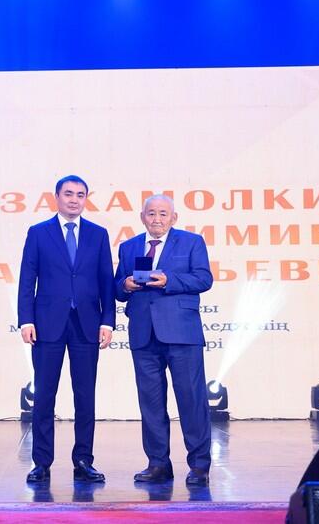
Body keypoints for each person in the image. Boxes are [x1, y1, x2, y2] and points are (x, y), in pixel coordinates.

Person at [18, 175, 116, 484]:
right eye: (69, 194)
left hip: (87, 324)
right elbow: (27, 278)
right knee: (45, 395)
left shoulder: (98, 234)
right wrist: (26, 319)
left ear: (86, 199)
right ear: (57, 197)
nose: (74, 199)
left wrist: (108, 320)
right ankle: (41, 462)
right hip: (47, 324)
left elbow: (106, 281)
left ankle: (84, 460)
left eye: (80, 195)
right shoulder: (38, 233)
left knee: (85, 395)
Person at [114, 194, 213, 486]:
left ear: (174, 218)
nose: (157, 219)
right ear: (142, 217)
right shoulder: (129, 246)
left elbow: (204, 279)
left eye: (163, 214)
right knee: (151, 403)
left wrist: (169, 280)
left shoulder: (192, 242)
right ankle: (158, 463)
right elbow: (117, 288)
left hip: (182, 333)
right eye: (152, 213)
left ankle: (199, 466)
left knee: (191, 400)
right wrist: (125, 285)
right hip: (143, 334)